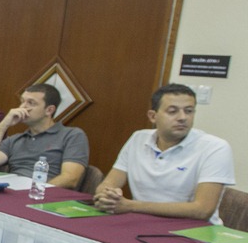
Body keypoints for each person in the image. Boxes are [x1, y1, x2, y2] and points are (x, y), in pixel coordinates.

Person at [94, 83, 234, 222]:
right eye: (172, 111)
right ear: (153, 116)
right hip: (142, 221)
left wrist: (131, 206)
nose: (182, 117)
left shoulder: (215, 147)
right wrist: (107, 196)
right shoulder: (138, 138)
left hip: (193, 229)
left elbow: (202, 210)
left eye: (189, 111)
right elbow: (108, 184)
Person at [0, 83, 89, 189]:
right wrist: (3, 125)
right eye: (22, 101)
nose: (22, 107)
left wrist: (35, 191)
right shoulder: (15, 140)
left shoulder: (72, 135)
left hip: (43, 195)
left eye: (31, 103)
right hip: (12, 191)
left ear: (49, 110)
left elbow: (70, 178)